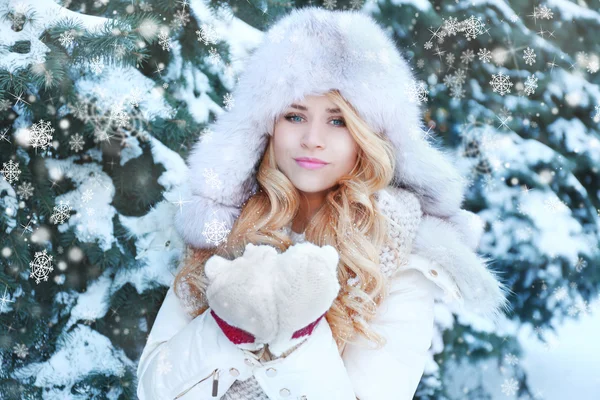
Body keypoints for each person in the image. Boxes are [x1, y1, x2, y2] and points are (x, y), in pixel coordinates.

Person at [136, 6, 512, 400]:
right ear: (267, 126)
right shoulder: (226, 226)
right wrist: (230, 326)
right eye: (295, 116)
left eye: (338, 121)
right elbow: (152, 387)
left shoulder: (401, 256)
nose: (312, 138)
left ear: (368, 136)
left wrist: (294, 332)